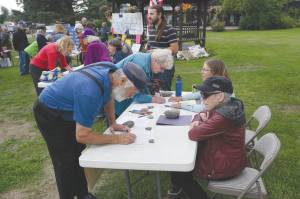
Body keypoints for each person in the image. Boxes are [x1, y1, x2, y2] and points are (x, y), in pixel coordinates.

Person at [33, 62, 148, 199]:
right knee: (64, 160)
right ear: (122, 80)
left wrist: (113, 122)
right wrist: (117, 139)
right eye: (133, 91)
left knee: (78, 153)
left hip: (67, 107)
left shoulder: (112, 72)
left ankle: (82, 193)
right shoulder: (90, 93)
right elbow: (82, 135)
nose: (131, 96)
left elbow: (109, 95)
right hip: (49, 112)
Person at [166, 76, 247, 199]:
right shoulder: (226, 105)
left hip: (224, 167)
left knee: (179, 167)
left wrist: (199, 124)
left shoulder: (223, 117)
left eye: (205, 95)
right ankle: (177, 190)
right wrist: (200, 119)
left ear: (219, 96)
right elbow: (201, 113)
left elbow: (193, 134)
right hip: (226, 156)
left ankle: (187, 192)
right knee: (179, 161)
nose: (202, 99)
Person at [115, 48, 173, 116]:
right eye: (162, 68)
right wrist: (152, 99)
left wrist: (150, 95)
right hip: (116, 94)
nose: (162, 71)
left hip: (122, 92)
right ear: (155, 61)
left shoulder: (148, 61)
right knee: (119, 119)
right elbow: (135, 94)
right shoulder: (139, 66)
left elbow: (143, 85)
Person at [147, 5, 179, 91]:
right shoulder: (150, 28)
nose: (149, 16)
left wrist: (157, 52)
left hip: (165, 67)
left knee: (164, 92)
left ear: (159, 15)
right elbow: (150, 45)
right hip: (152, 65)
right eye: (148, 14)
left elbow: (175, 49)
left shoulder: (169, 29)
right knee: (153, 91)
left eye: (151, 14)